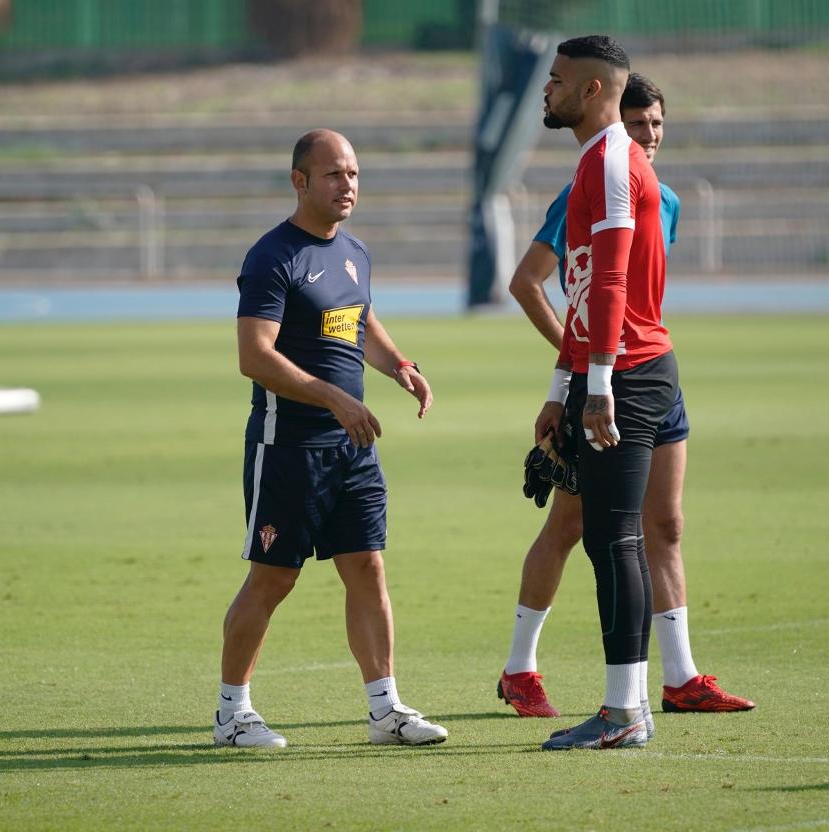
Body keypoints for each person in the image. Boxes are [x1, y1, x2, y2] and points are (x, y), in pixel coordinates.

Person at [498, 74, 754, 721]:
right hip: (606, 383)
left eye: (657, 126)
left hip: (654, 376)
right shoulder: (589, 184)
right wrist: (578, 369)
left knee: (664, 526)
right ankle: (520, 668)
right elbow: (533, 283)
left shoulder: (665, 199)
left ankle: (682, 678)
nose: (648, 136)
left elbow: (636, 300)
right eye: (638, 125)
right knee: (572, 523)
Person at [215, 129, 448, 749]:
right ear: (300, 181)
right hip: (287, 446)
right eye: (334, 175)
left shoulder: (355, 253)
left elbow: (361, 319)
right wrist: (334, 396)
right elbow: (253, 357)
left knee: (367, 568)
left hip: (353, 449)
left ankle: (385, 711)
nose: (348, 186)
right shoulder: (272, 257)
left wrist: (400, 366)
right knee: (273, 577)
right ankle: (230, 714)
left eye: (353, 174)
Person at [521, 34, 677, 751]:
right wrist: (564, 382)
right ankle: (630, 706)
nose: (545, 90)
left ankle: (624, 713)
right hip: (607, 369)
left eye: (556, 80)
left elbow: (611, 280)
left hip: (630, 373)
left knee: (615, 538)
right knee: (610, 539)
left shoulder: (614, 159)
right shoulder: (594, 161)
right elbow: (580, 294)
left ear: (591, 89)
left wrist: (600, 384)